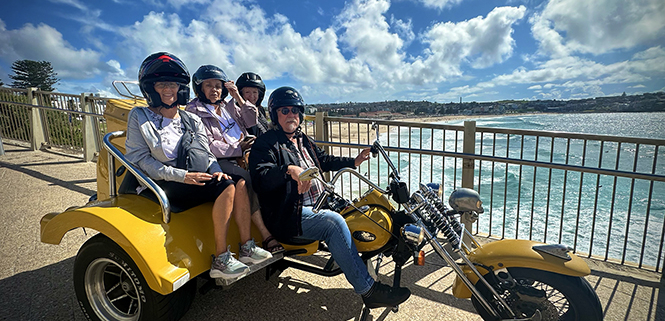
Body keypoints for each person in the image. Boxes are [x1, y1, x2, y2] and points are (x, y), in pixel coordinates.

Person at [248, 86, 411, 309]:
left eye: (295, 110)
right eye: (284, 110)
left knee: (372, 206)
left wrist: (354, 161)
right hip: (289, 215)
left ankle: (389, 248)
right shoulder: (266, 143)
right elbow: (260, 178)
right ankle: (368, 290)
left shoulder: (302, 140)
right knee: (333, 223)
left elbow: (324, 159)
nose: (290, 115)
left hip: (321, 204)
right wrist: (288, 170)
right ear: (275, 114)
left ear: (301, 114)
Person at [125, 53, 272, 280]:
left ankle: (244, 248)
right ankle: (221, 258)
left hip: (189, 175)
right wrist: (183, 176)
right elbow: (141, 160)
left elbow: (205, 152)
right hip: (160, 181)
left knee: (230, 183)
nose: (168, 90)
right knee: (231, 183)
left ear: (180, 88)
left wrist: (216, 171)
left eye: (172, 84)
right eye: (162, 84)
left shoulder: (189, 119)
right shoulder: (139, 116)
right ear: (150, 87)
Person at [185, 65, 284, 254]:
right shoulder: (194, 110)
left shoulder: (227, 106)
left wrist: (238, 97)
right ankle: (265, 234)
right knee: (248, 179)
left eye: (218, 86)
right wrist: (238, 147)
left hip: (244, 153)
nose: (215, 90)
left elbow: (250, 120)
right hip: (219, 160)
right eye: (209, 86)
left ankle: (280, 220)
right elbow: (206, 144)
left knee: (273, 171)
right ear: (200, 89)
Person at [236, 72, 270, 136]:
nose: (251, 96)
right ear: (241, 94)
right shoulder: (237, 111)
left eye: (255, 92)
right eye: (247, 92)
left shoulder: (260, 110)